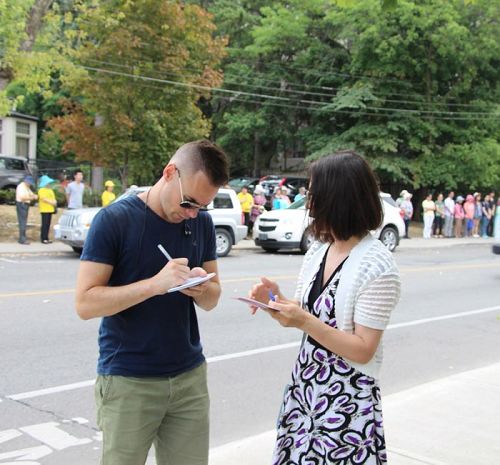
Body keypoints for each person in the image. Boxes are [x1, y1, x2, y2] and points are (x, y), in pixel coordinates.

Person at [75, 140, 229, 465]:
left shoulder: (199, 222)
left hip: (188, 377)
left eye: (202, 206)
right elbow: (85, 303)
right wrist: (154, 285)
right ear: (170, 173)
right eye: (188, 203)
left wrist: (201, 288)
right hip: (129, 380)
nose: (191, 213)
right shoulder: (114, 220)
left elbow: (214, 298)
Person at [248, 151, 400, 465]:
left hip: (346, 401)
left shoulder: (378, 265)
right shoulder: (320, 249)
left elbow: (362, 349)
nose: (309, 202)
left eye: (314, 194)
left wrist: (302, 320)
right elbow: (309, 316)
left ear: (339, 198)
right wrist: (275, 301)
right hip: (307, 390)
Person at [15, 175, 37, 245]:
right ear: (26, 181)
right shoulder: (21, 187)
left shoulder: (27, 187)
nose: (30, 184)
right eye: (29, 182)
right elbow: (22, 197)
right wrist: (32, 198)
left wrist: (34, 196)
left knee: (24, 221)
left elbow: (32, 194)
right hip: (22, 204)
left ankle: (22, 238)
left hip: (25, 204)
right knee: (22, 222)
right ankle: (22, 239)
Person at [37, 175, 57, 244]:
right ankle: (43, 238)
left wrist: (54, 202)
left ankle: (47, 238)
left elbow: (53, 198)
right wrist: (52, 202)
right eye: (47, 182)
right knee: (44, 224)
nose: (48, 184)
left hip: (50, 209)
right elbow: (43, 198)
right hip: (44, 209)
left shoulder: (50, 190)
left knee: (48, 224)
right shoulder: (41, 190)